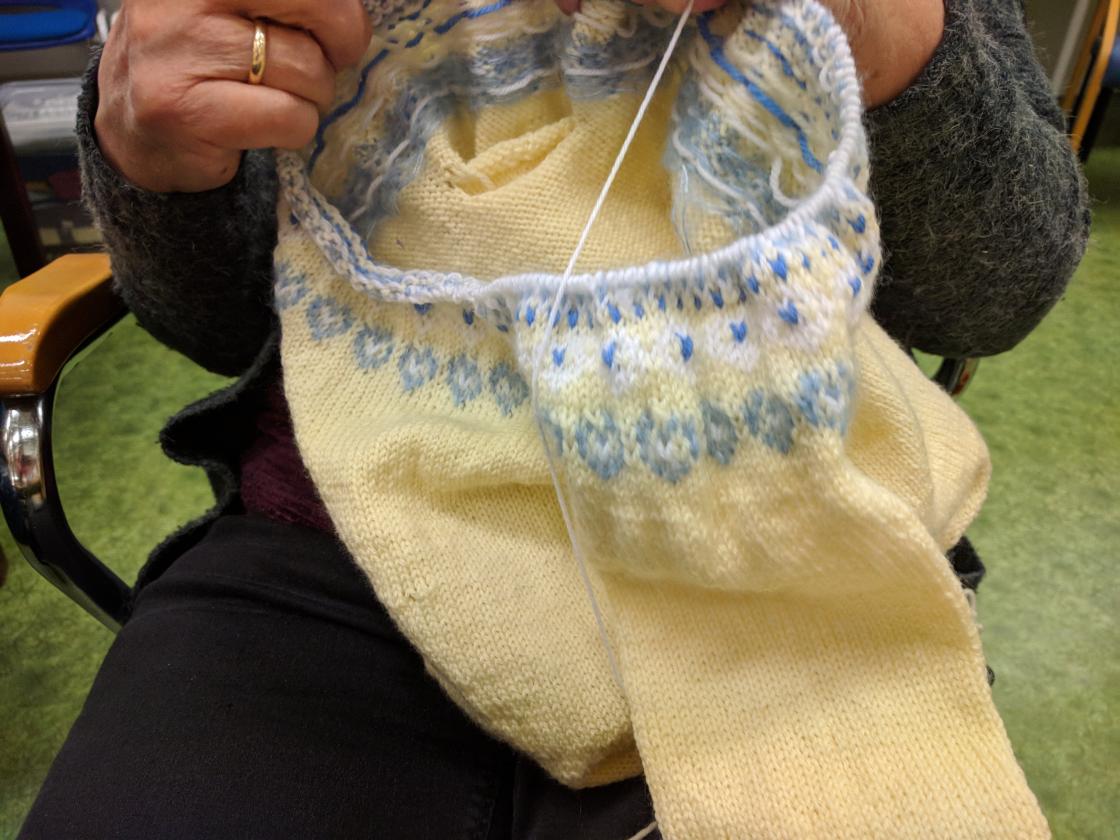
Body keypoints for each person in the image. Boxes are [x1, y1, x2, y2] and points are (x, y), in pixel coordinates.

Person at [21, 0, 1087, 837]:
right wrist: (156, 156)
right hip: (333, 541)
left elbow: (1000, 287)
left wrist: (870, 22)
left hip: (767, 492)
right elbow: (214, 321)